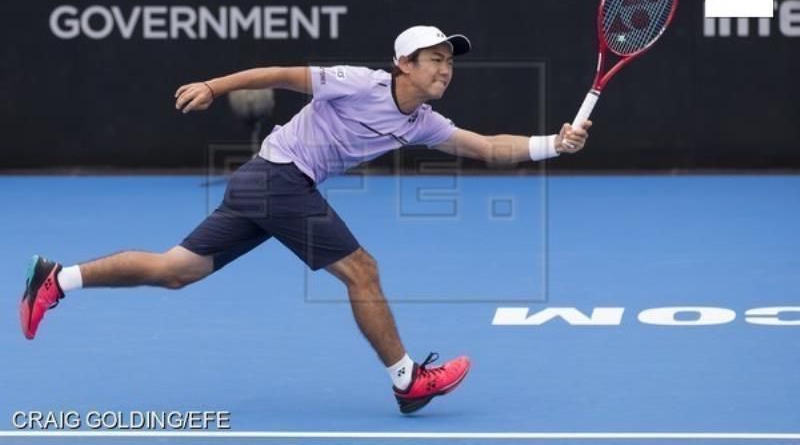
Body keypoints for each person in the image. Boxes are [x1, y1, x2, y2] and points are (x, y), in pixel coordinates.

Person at [20, 25, 591, 414]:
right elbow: (279, 73)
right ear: (404, 64)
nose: (445, 69)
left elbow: (487, 147)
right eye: (435, 59)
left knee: (175, 270)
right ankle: (408, 381)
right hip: (278, 179)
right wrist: (214, 87)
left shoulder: (422, 121)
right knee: (362, 271)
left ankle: (57, 278)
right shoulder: (358, 83)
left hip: (264, 183)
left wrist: (553, 144)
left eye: (449, 61)